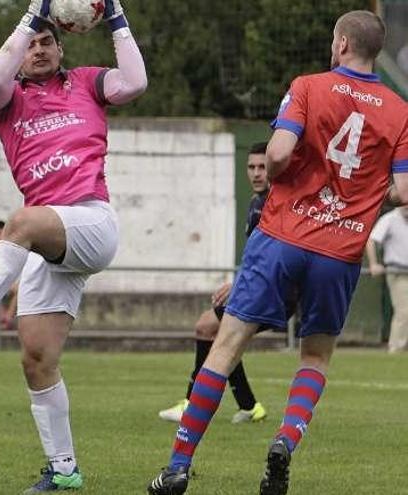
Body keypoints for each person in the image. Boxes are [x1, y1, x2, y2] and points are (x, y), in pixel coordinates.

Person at [147, 11, 408, 495]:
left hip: (284, 235)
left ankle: (178, 466)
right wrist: (362, 191)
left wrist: (294, 174)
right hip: (340, 249)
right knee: (314, 358)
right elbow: (404, 190)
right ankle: (285, 441)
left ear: (343, 43)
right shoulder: (399, 109)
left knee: (224, 348)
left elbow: (281, 153)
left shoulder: (309, 86)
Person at [0, 0, 147, 491]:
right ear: (19, 54)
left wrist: (117, 15)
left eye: (47, 42)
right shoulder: (7, 100)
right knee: (36, 358)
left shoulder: (86, 82)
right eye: (31, 45)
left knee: (17, 222)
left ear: (62, 47)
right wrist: (36, 11)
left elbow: (137, 82)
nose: (38, 51)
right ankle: (64, 471)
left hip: (90, 221)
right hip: (49, 238)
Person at [157, 143, 272, 425]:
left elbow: (271, 254)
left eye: (262, 167)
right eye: (251, 167)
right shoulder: (257, 203)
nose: (256, 173)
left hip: (271, 291)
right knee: (223, 335)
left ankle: (191, 403)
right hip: (256, 286)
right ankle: (250, 406)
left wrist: (239, 283)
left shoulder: (274, 203)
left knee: (207, 326)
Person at [365, 205, 408, 353]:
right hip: (397, 271)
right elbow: (371, 240)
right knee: (404, 311)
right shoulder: (390, 219)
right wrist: (373, 264)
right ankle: (396, 349)